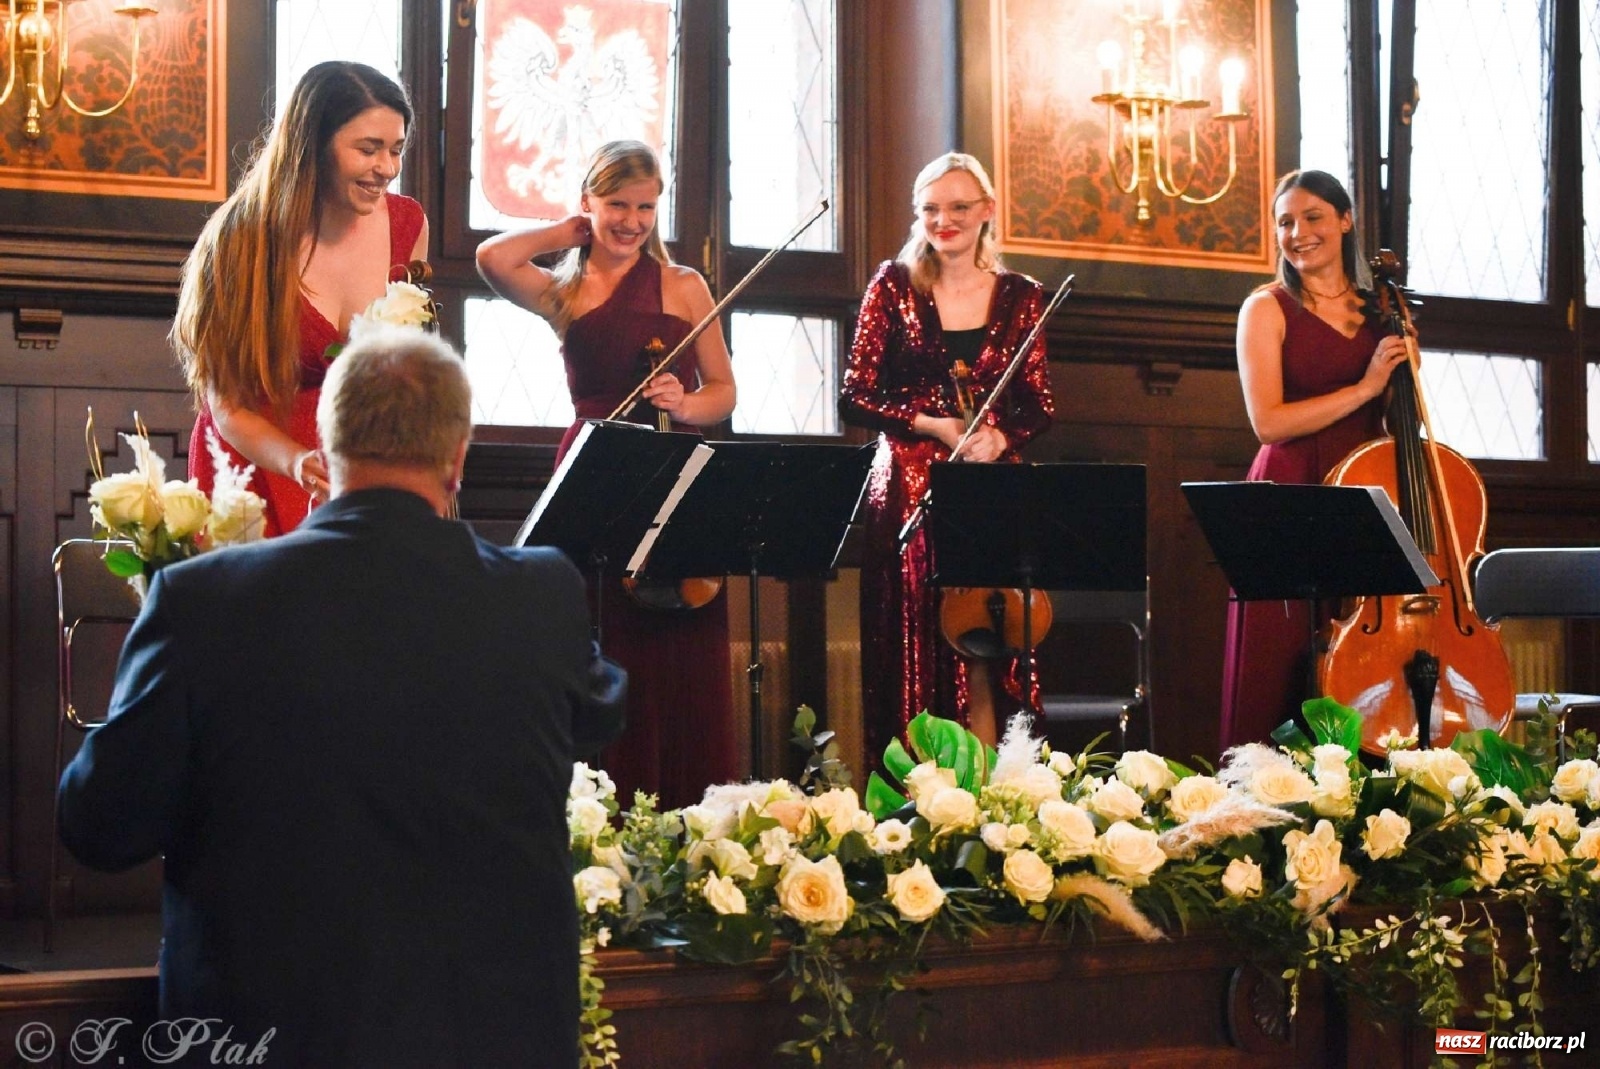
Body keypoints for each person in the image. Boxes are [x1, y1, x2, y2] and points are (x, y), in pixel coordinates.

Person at [58, 328, 625, 1068]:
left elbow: (101, 824)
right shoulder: (540, 595)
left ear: (323, 450)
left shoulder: (202, 602)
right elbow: (600, 709)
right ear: (458, 456)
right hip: (493, 1035)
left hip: (267, 1036)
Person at [475, 139, 738, 810]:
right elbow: (492, 258)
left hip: (675, 478)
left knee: (678, 649)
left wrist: (686, 403)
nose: (632, 221)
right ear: (588, 201)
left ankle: (685, 820)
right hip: (594, 472)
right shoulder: (563, 287)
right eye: (616, 204)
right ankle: (605, 819)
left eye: (646, 207)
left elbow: (724, 392)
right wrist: (567, 231)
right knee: (605, 637)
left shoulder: (686, 285)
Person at [839, 151, 1056, 766]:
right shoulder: (893, 284)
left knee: (989, 647)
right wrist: (931, 422)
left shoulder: (1022, 297)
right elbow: (855, 393)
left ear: (987, 212)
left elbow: (1038, 405)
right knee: (912, 646)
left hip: (991, 490)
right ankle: (917, 801)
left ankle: (995, 796)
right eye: (931, 209)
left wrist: (1000, 438)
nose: (945, 220)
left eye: (959, 207)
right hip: (909, 487)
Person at [172, 60, 430, 537]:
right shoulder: (238, 240)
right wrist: (298, 464)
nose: (387, 169)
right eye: (368, 149)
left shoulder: (408, 225)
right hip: (253, 463)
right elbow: (226, 403)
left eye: (396, 150)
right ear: (312, 145)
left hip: (353, 467)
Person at [1219, 169, 1409, 749]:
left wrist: (1405, 366)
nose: (1298, 232)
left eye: (1313, 217)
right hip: (1289, 487)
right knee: (1275, 661)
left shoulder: (1380, 311)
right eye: (1285, 222)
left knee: (1360, 654)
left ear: (1345, 220)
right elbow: (1268, 421)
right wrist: (1364, 386)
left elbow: (1404, 419)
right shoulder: (1266, 308)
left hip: (1362, 493)